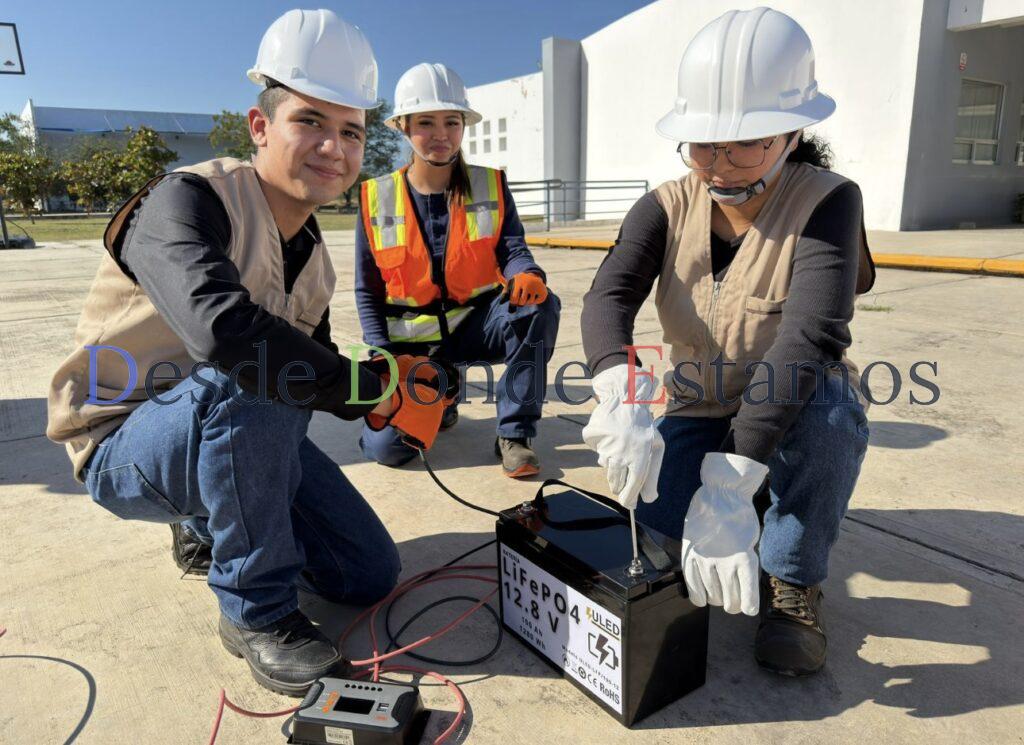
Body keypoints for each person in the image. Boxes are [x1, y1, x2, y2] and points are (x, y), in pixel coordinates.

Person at [46, 9, 448, 696]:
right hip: (121, 443)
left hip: (218, 420)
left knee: (367, 572)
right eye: (309, 121)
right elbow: (226, 334)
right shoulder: (187, 202)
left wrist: (382, 385)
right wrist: (358, 388)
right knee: (257, 367)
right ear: (260, 127)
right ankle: (255, 610)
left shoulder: (314, 259)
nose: (333, 146)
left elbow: (319, 377)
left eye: (350, 131)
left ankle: (209, 518)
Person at [581, 7, 876, 677]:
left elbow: (812, 334)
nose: (718, 162)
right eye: (703, 143)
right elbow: (609, 296)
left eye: (743, 142)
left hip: (795, 398)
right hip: (699, 404)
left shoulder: (827, 201)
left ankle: (792, 580)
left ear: (793, 131)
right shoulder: (665, 204)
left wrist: (732, 476)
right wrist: (617, 386)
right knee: (663, 542)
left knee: (833, 418)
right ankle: (764, 491)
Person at [355, 62, 561, 478]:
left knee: (540, 307)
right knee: (391, 450)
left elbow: (511, 246)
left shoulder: (491, 184)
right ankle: (441, 391)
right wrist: (385, 359)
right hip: (411, 345)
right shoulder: (375, 197)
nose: (441, 134)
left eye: (452, 121)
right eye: (426, 122)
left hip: (474, 325)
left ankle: (515, 434)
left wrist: (527, 272)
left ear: (463, 125)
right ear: (402, 127)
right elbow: (367, 289)